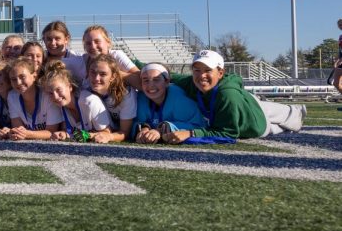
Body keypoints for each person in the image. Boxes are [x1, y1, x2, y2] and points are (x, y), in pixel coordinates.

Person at [162, 50, 305, 142]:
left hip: (255, 121)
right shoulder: (193, 82)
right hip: (243, 102)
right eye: (197, 70)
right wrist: (139, 64)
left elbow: (228, 133)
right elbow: (170, 75)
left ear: (220, 73)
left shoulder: (227, 94)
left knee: (291, 120)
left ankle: (296, 112)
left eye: (207, 70)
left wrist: (190, 133)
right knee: (257, 104)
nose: (201, 75)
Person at [132, 63, 206, 144]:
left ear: (167, 81)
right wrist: (143, 128)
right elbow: (132, 123)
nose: (151, 85)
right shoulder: (140, 97)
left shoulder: (180, 100)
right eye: (146, 80)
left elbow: (199, 126)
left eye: (156, 79)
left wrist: (161, 130)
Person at [79, 54, 137, 143]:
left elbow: (125, 132)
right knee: (84, 96)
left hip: (128, 130)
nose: (96, 78)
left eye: (103, 74)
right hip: (105, 127)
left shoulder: (126, 94)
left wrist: (109, 136)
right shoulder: (86, 86)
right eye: (93, 72)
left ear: (113, 77)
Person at [40, 61, 87, 141]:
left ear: (70, 87)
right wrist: (64, 134)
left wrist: (88, 135)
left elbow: (106, 133)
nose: (55, 96)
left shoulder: (88, 102)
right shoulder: (60, 106)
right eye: (50, 93)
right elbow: (69, 131)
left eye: (58, 90)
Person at [6, 57, 51, 140]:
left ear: (34, 76)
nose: (18, 83)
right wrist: (12, 133)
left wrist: (27, 134)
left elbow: (51, 132)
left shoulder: (47, 95)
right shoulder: (12, 96)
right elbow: (18, 129)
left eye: (22, 77)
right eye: (13, 79)